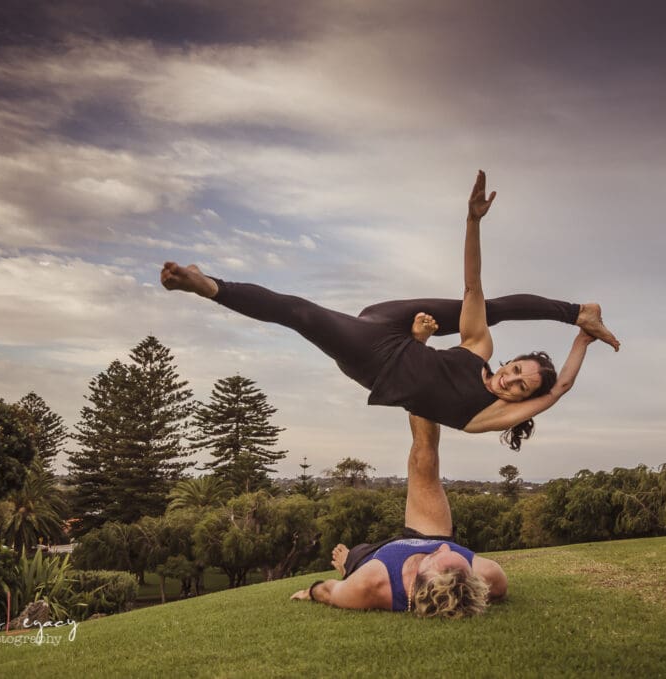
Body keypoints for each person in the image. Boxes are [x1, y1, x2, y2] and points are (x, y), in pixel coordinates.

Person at [162, 170, 619, 450]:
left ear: (522, 402)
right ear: (511, 360)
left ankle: (209, 286)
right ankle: (579, 309)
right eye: (517, 369)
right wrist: (472, 222)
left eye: (520, 387)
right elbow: (473, 284)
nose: (512, 379)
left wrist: (582, 343)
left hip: (373, 358)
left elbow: (558, 390)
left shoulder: (486, 417)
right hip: (389, 326)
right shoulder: (479, 348)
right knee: (482, 306)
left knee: (300, 314)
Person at [290, 414, 507, 618]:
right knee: (423, 460)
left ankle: (349, 563)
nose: (445, 547)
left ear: (422, 577)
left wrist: (311, 591)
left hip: (375, 559)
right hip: (429, 533)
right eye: (455, 553)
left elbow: (329, 591)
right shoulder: (488, 575)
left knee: (353, 559)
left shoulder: (372, 584)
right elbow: (470, 585)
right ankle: (422, 393)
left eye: (437, 556)